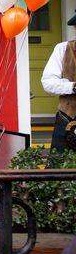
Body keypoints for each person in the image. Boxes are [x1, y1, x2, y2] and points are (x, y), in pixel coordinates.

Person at [41, 11, 76, 152]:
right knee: (58, 168)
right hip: (68, 120)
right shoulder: (62, 49)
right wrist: (73, 87)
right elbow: (48, 82)